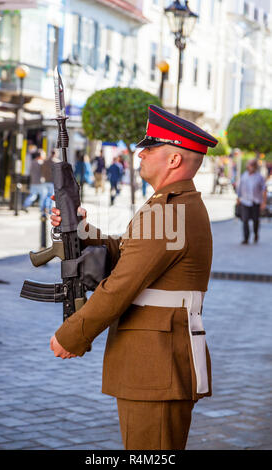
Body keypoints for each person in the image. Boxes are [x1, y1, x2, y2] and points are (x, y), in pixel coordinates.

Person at [49, 104, 218, 450]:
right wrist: (78, 230)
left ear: (173, 160)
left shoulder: (170, 210)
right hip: (156, 362)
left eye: (151, 147)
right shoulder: (171, 206)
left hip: (155, 365)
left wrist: (73, 334)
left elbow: (121, 285)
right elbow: (129, 251)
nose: (140, 153)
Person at [237, 159, 267, 244]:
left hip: (255, 202)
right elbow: (240, 188)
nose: (249, 167)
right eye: (248, 165)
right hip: (245, 202)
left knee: (255, 220)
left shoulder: (259, 177)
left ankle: (256, 233)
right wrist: (238, 198)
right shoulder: (244, 175)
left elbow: (264, 190)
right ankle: (246, 238)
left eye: (250, 165)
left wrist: (263, 202)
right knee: (245, 220)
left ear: (254, 167)